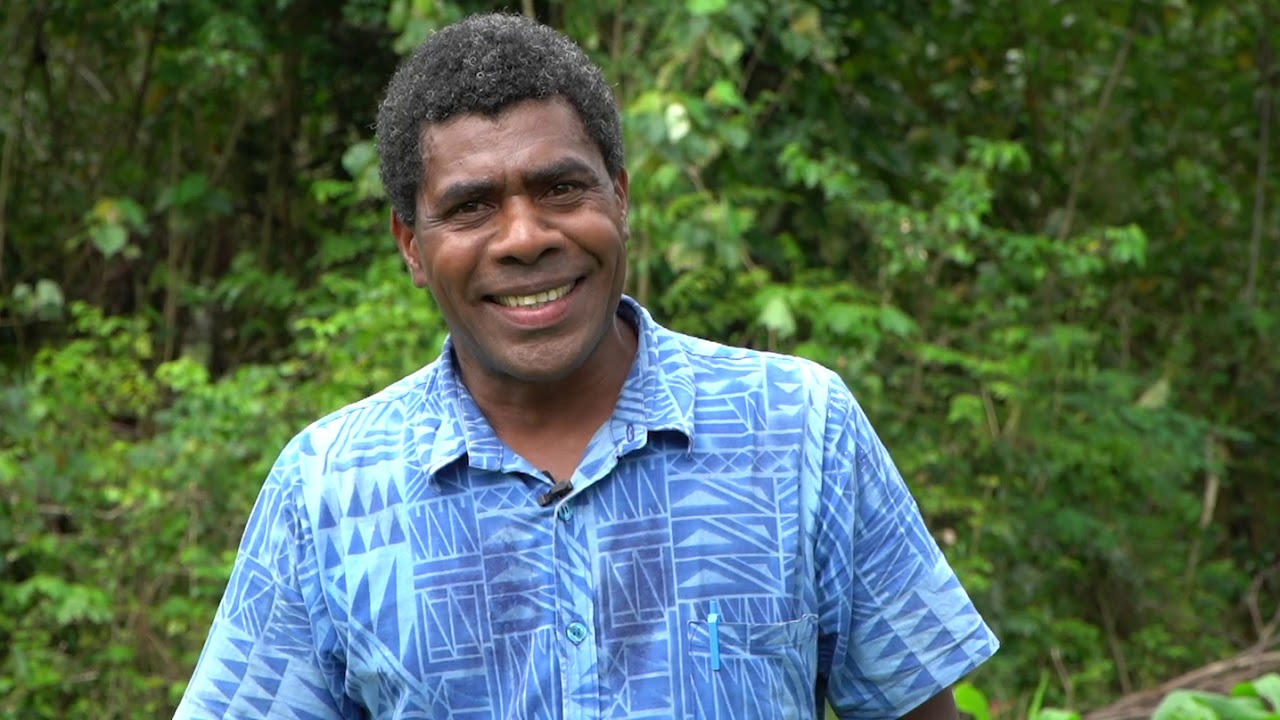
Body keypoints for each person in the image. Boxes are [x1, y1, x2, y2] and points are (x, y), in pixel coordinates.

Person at [173, 12, 999, 720]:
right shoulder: (327, 490)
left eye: (562, 189)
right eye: (470, 206)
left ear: (621, 198)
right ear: (410, 248)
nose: (526, 236)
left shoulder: (798, 428)